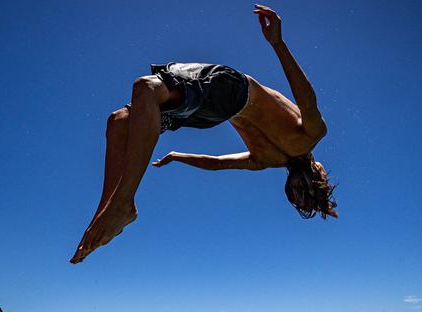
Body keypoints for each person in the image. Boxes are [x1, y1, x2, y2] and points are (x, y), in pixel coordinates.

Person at [70, 4, 337, 264]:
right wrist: (178, 156)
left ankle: (122, 203)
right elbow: (216, 164)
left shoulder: (312, 135)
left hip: (229, 90)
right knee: (120, 121)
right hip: (213, 114)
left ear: (318, 172)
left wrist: (278, 44)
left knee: (145, 89)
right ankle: (104, 213)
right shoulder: (266, 160)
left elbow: (307, 99)